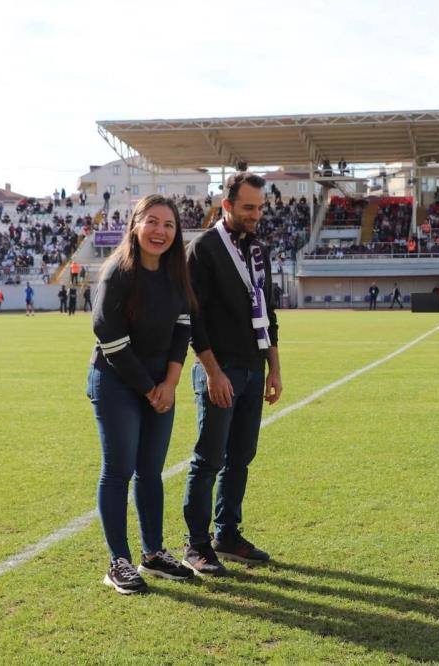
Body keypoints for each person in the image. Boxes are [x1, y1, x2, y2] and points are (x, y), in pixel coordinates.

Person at [88, 194, 197, 594]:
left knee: (151, 471)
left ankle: (152, 555)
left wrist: (170, 383)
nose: (160, 231)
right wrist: (151, 388)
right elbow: (110, 340)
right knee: (119, 469)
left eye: (168, 225)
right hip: (117, 381)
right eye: (152, 221)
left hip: (159, 385)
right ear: (135, 225)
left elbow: (183, 328)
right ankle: (118, 561)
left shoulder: (176, 273)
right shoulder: (117, 273)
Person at [182, 172, 281, 577]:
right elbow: (193, 318)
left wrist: (274, 369)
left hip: (253, 369)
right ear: (227, 206)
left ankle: (227, 534)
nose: (256, 215)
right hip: (219, 370)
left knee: (241, 457)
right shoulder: (203, 248)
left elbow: (268, 312)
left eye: (260, 208)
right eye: (248, 207)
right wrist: (212, 371)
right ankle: (196, 545)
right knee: (209, 459)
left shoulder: (258, 249)